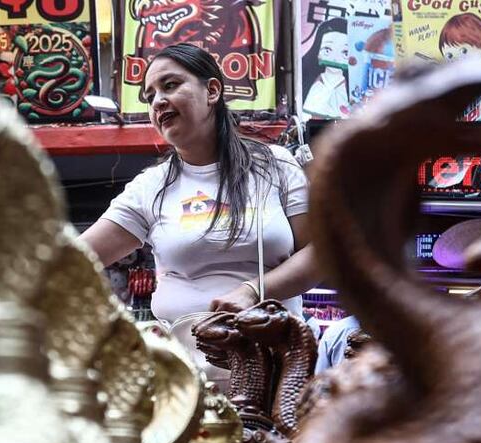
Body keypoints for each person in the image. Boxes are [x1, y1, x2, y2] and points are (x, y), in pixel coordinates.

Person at [80, 43, 316, 332]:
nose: (157, 101)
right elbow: (75, 258)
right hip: (182, 370)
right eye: (150, 95)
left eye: (170, 85)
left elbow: (318, 254)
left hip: (276, 364)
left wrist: (253, 291)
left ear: (212, 91)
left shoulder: (275, 165)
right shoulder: (150, 187)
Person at [301, 18, 349, 119]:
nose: (335, 59)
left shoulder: (350, 87)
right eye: (327, 50)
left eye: (345, 53)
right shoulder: (312, 82)